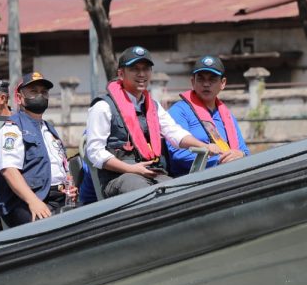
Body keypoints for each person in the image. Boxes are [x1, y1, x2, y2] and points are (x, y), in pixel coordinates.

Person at [85, 46, 221, 198]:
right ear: (121, 74)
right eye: (135, 69)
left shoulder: (153, 107)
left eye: (146, 69)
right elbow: (95, 152)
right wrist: (132, 169)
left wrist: (204, 145)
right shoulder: (103, 107)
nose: (141, 74)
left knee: (180, 192)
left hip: (151, 172)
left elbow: (174, 133)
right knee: (147, 194)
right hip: (119, 177)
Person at [0, 72, 77, 226]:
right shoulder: (12, 128)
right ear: (19, 98)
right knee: (50, 229)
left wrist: (68, 188)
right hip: (25, 201)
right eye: (33, 91)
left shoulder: (49, 129)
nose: (40, 95)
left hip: (59, 198)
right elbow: (9, 170)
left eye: (44, 92)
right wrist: (33, 202)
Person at [168, 55, 250, 176]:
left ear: (223, 83)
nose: (206, 84)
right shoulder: (179, 111)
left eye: (212, 79)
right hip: (192, 180)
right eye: (201, 79)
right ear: (193, 82)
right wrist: (221, 160)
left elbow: (245, 151)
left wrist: (240, 155)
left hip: (230, 173)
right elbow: (179, 154)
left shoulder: (227, 116)